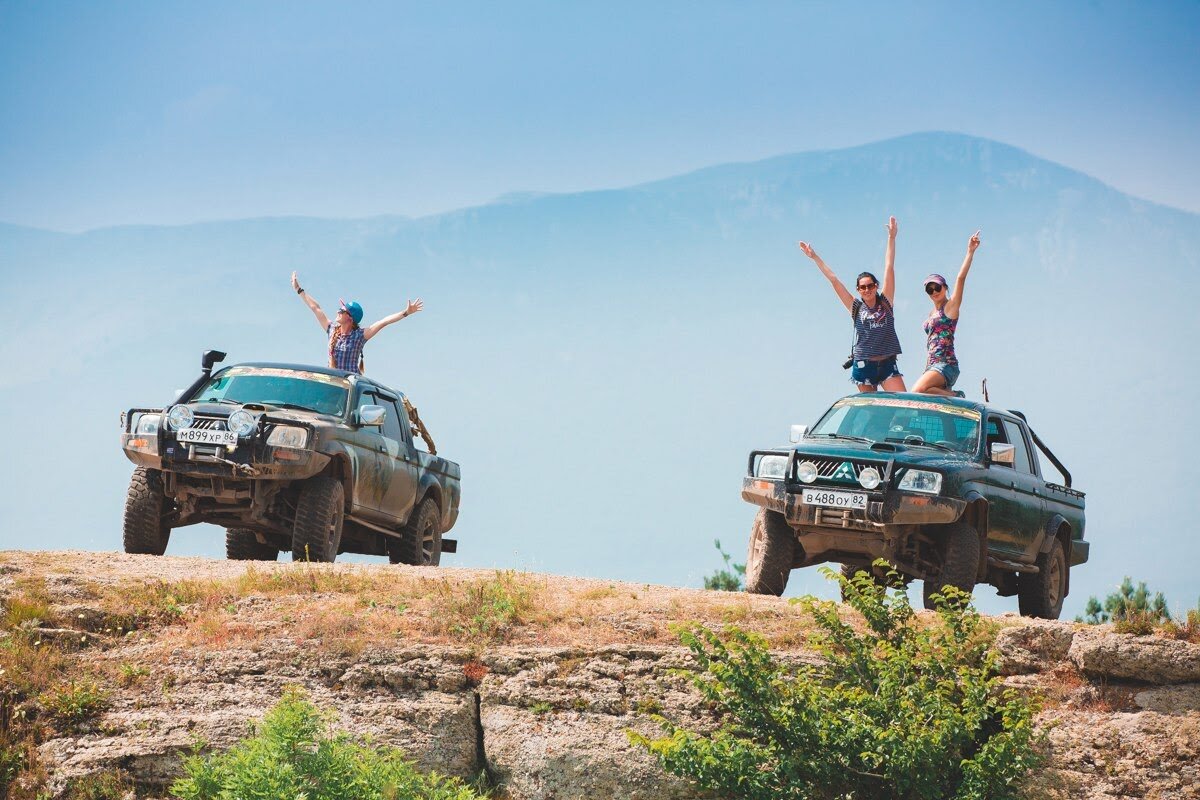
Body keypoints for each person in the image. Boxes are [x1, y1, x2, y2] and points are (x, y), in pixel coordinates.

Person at [798, 216, 906, 392]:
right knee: (871, 411)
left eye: (870, 286)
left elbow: (889, 267)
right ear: (858, 290)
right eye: (862, 287)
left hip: (887, 363)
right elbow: (834, 280)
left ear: (876, 286)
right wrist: (814, 257)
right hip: (864, 365)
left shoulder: (885, 302)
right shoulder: (856, 307)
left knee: (903, 406)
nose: (867, 289)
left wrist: (892, 238)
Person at [290, 271, 424, 374]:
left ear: (350, 318)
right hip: (333, 383)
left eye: (341, 310)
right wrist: (299, 290)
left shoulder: (359, 336)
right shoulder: (331, 329)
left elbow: (384, 322)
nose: (338, 312)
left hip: (350, 388)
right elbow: (316, 308)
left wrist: (406, 312)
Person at [912, 231, 981, 397]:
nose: (934, 291)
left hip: (946, 365)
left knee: (916, 391)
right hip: (933, 366)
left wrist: (970, 252)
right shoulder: (931, 313)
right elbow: (931, 344)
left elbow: (960, 278)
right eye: (930, 289)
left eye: (937, 287)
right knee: (925, 394)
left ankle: (956, 396)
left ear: (945, 288)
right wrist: (926, 368)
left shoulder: (950, 308)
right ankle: (952, 395)